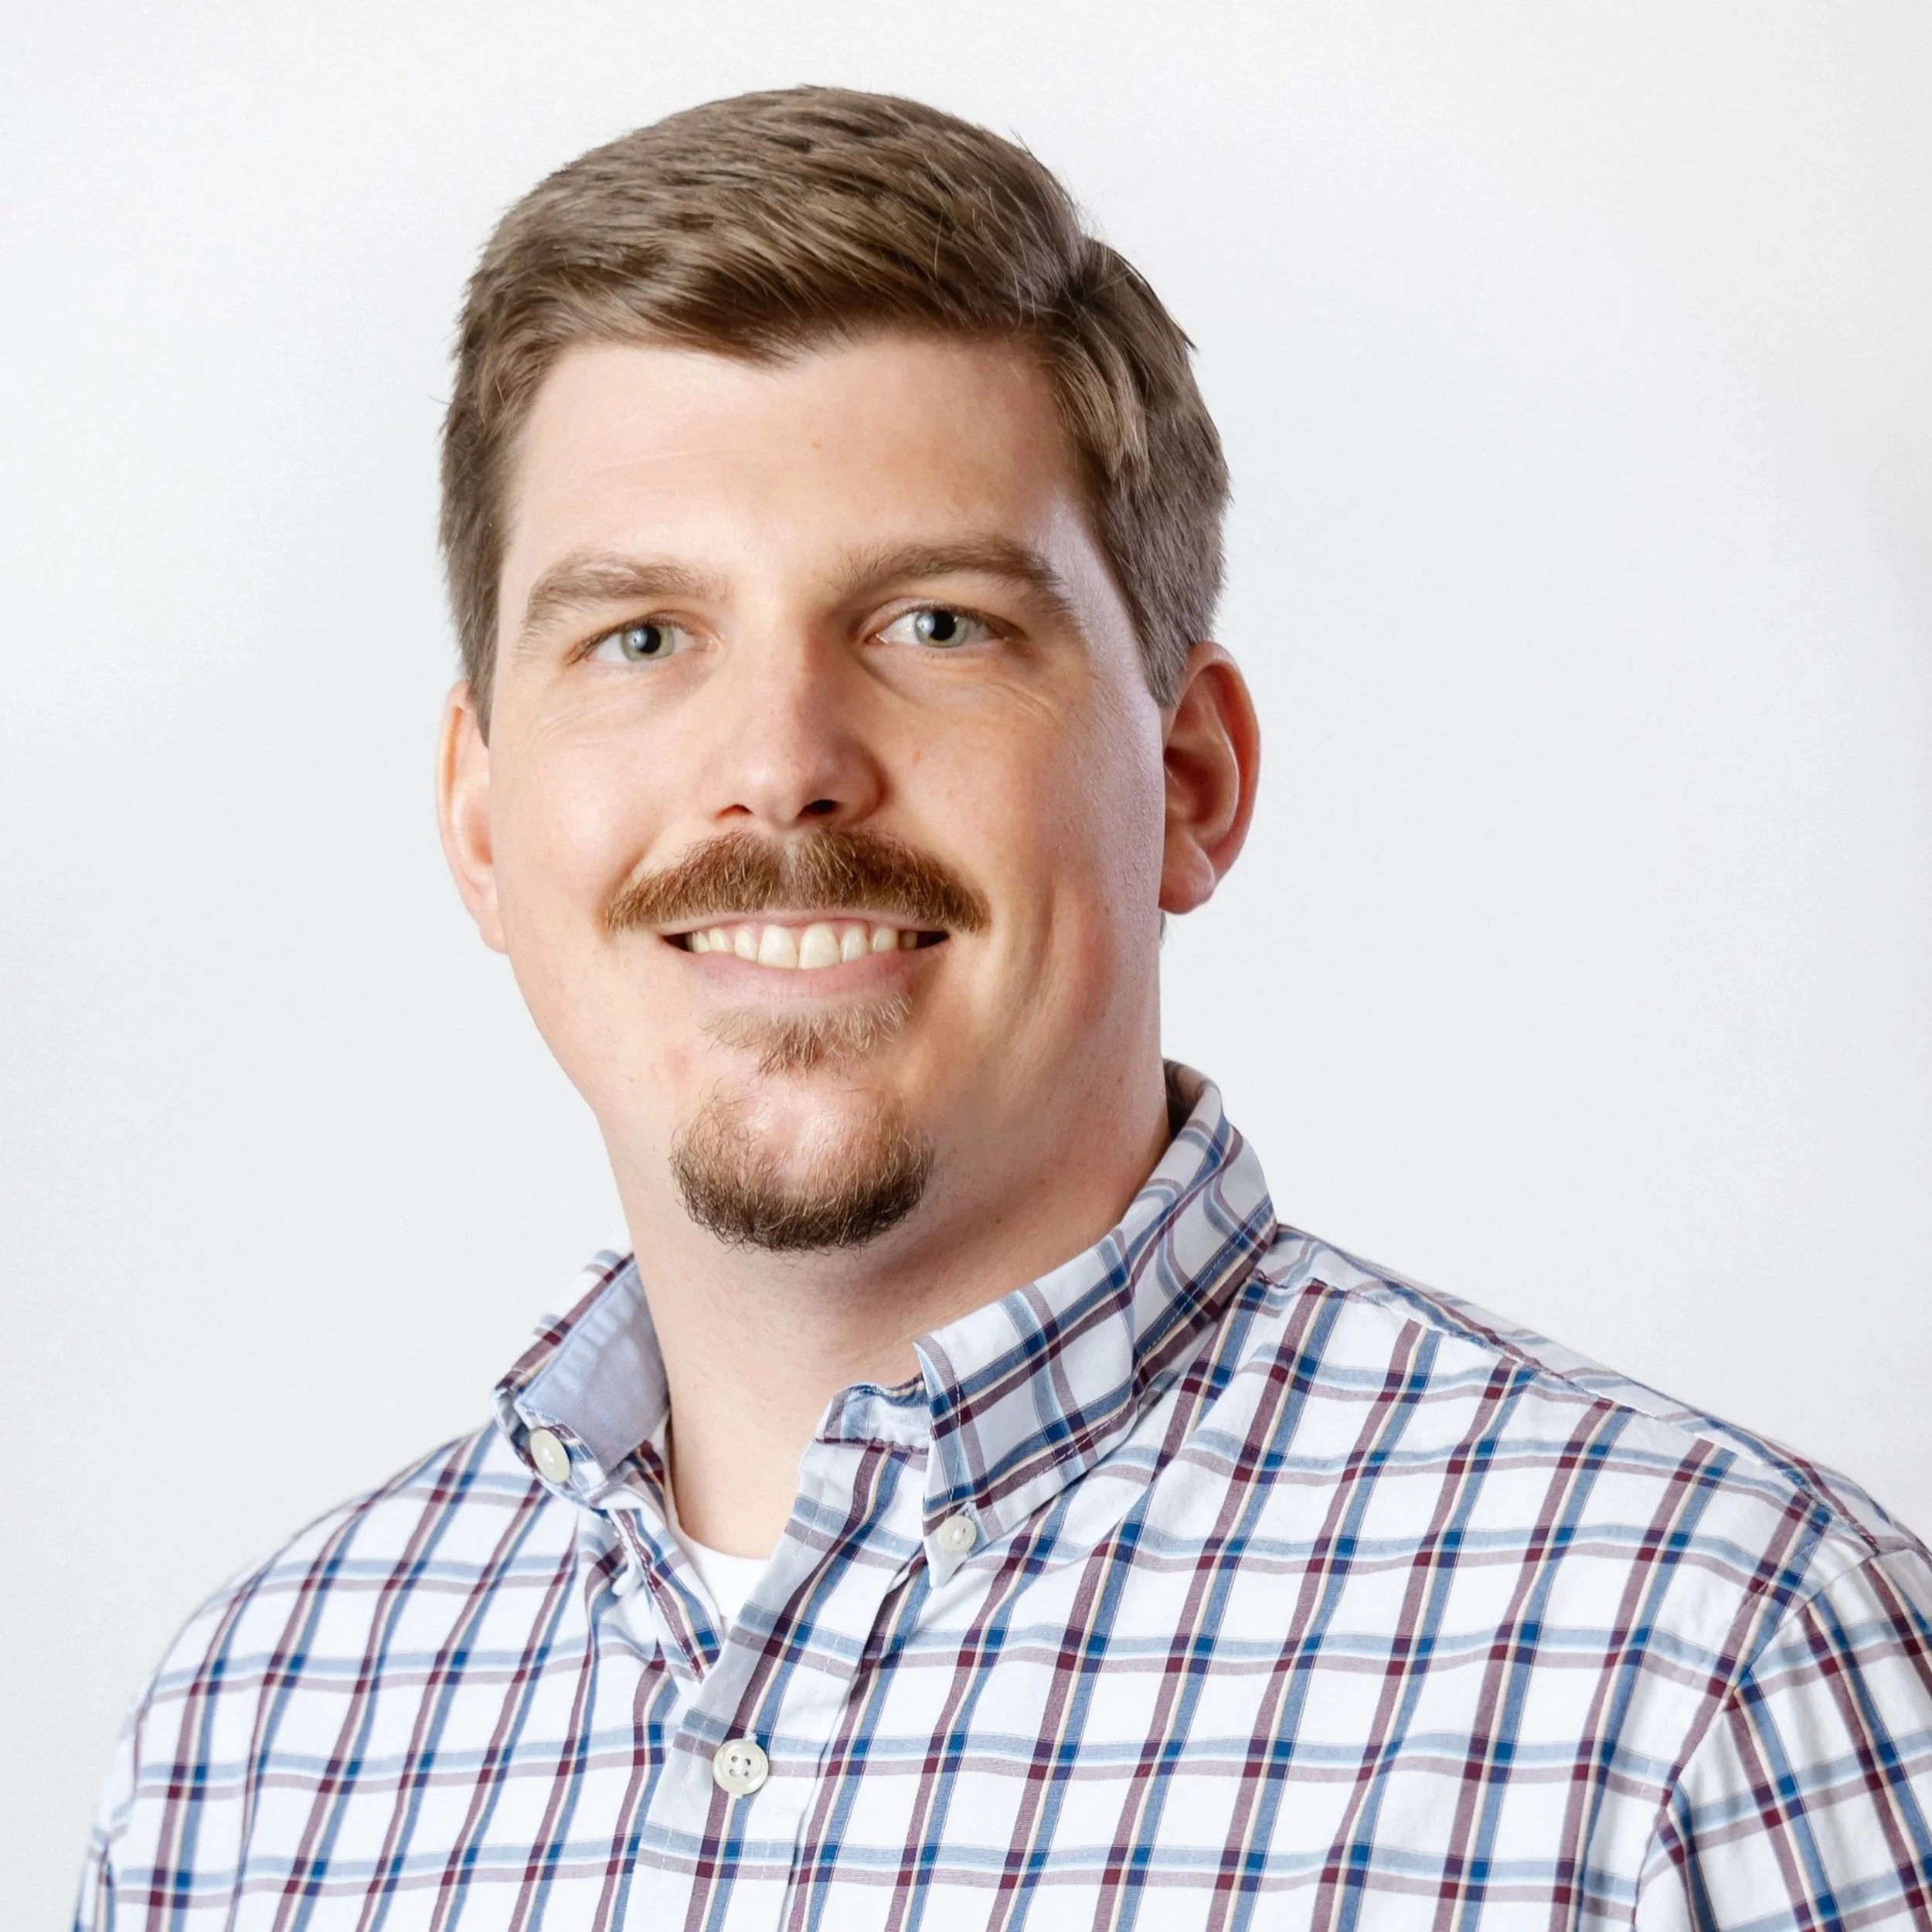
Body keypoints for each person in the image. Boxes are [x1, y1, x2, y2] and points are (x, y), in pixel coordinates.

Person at [77, 85, 1932, 1932]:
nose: (780, 768)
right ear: (482, 821)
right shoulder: (250, 1748)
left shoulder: (1700, 1668)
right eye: (639, 635)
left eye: (934, 624)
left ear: (1191, 778)